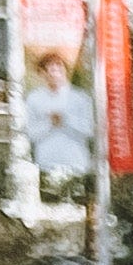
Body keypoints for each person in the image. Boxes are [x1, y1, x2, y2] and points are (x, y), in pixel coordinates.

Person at [21, 52, 97, 184]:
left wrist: (65, 119)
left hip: (76, 163)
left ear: (65, 71)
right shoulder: (33, 98)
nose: (54, 74)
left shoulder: (80, 97)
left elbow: (89, 130)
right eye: (49, 70)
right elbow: (29, 134)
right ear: (41, 73)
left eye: (58, 69)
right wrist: (50, 123)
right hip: (45, 164)